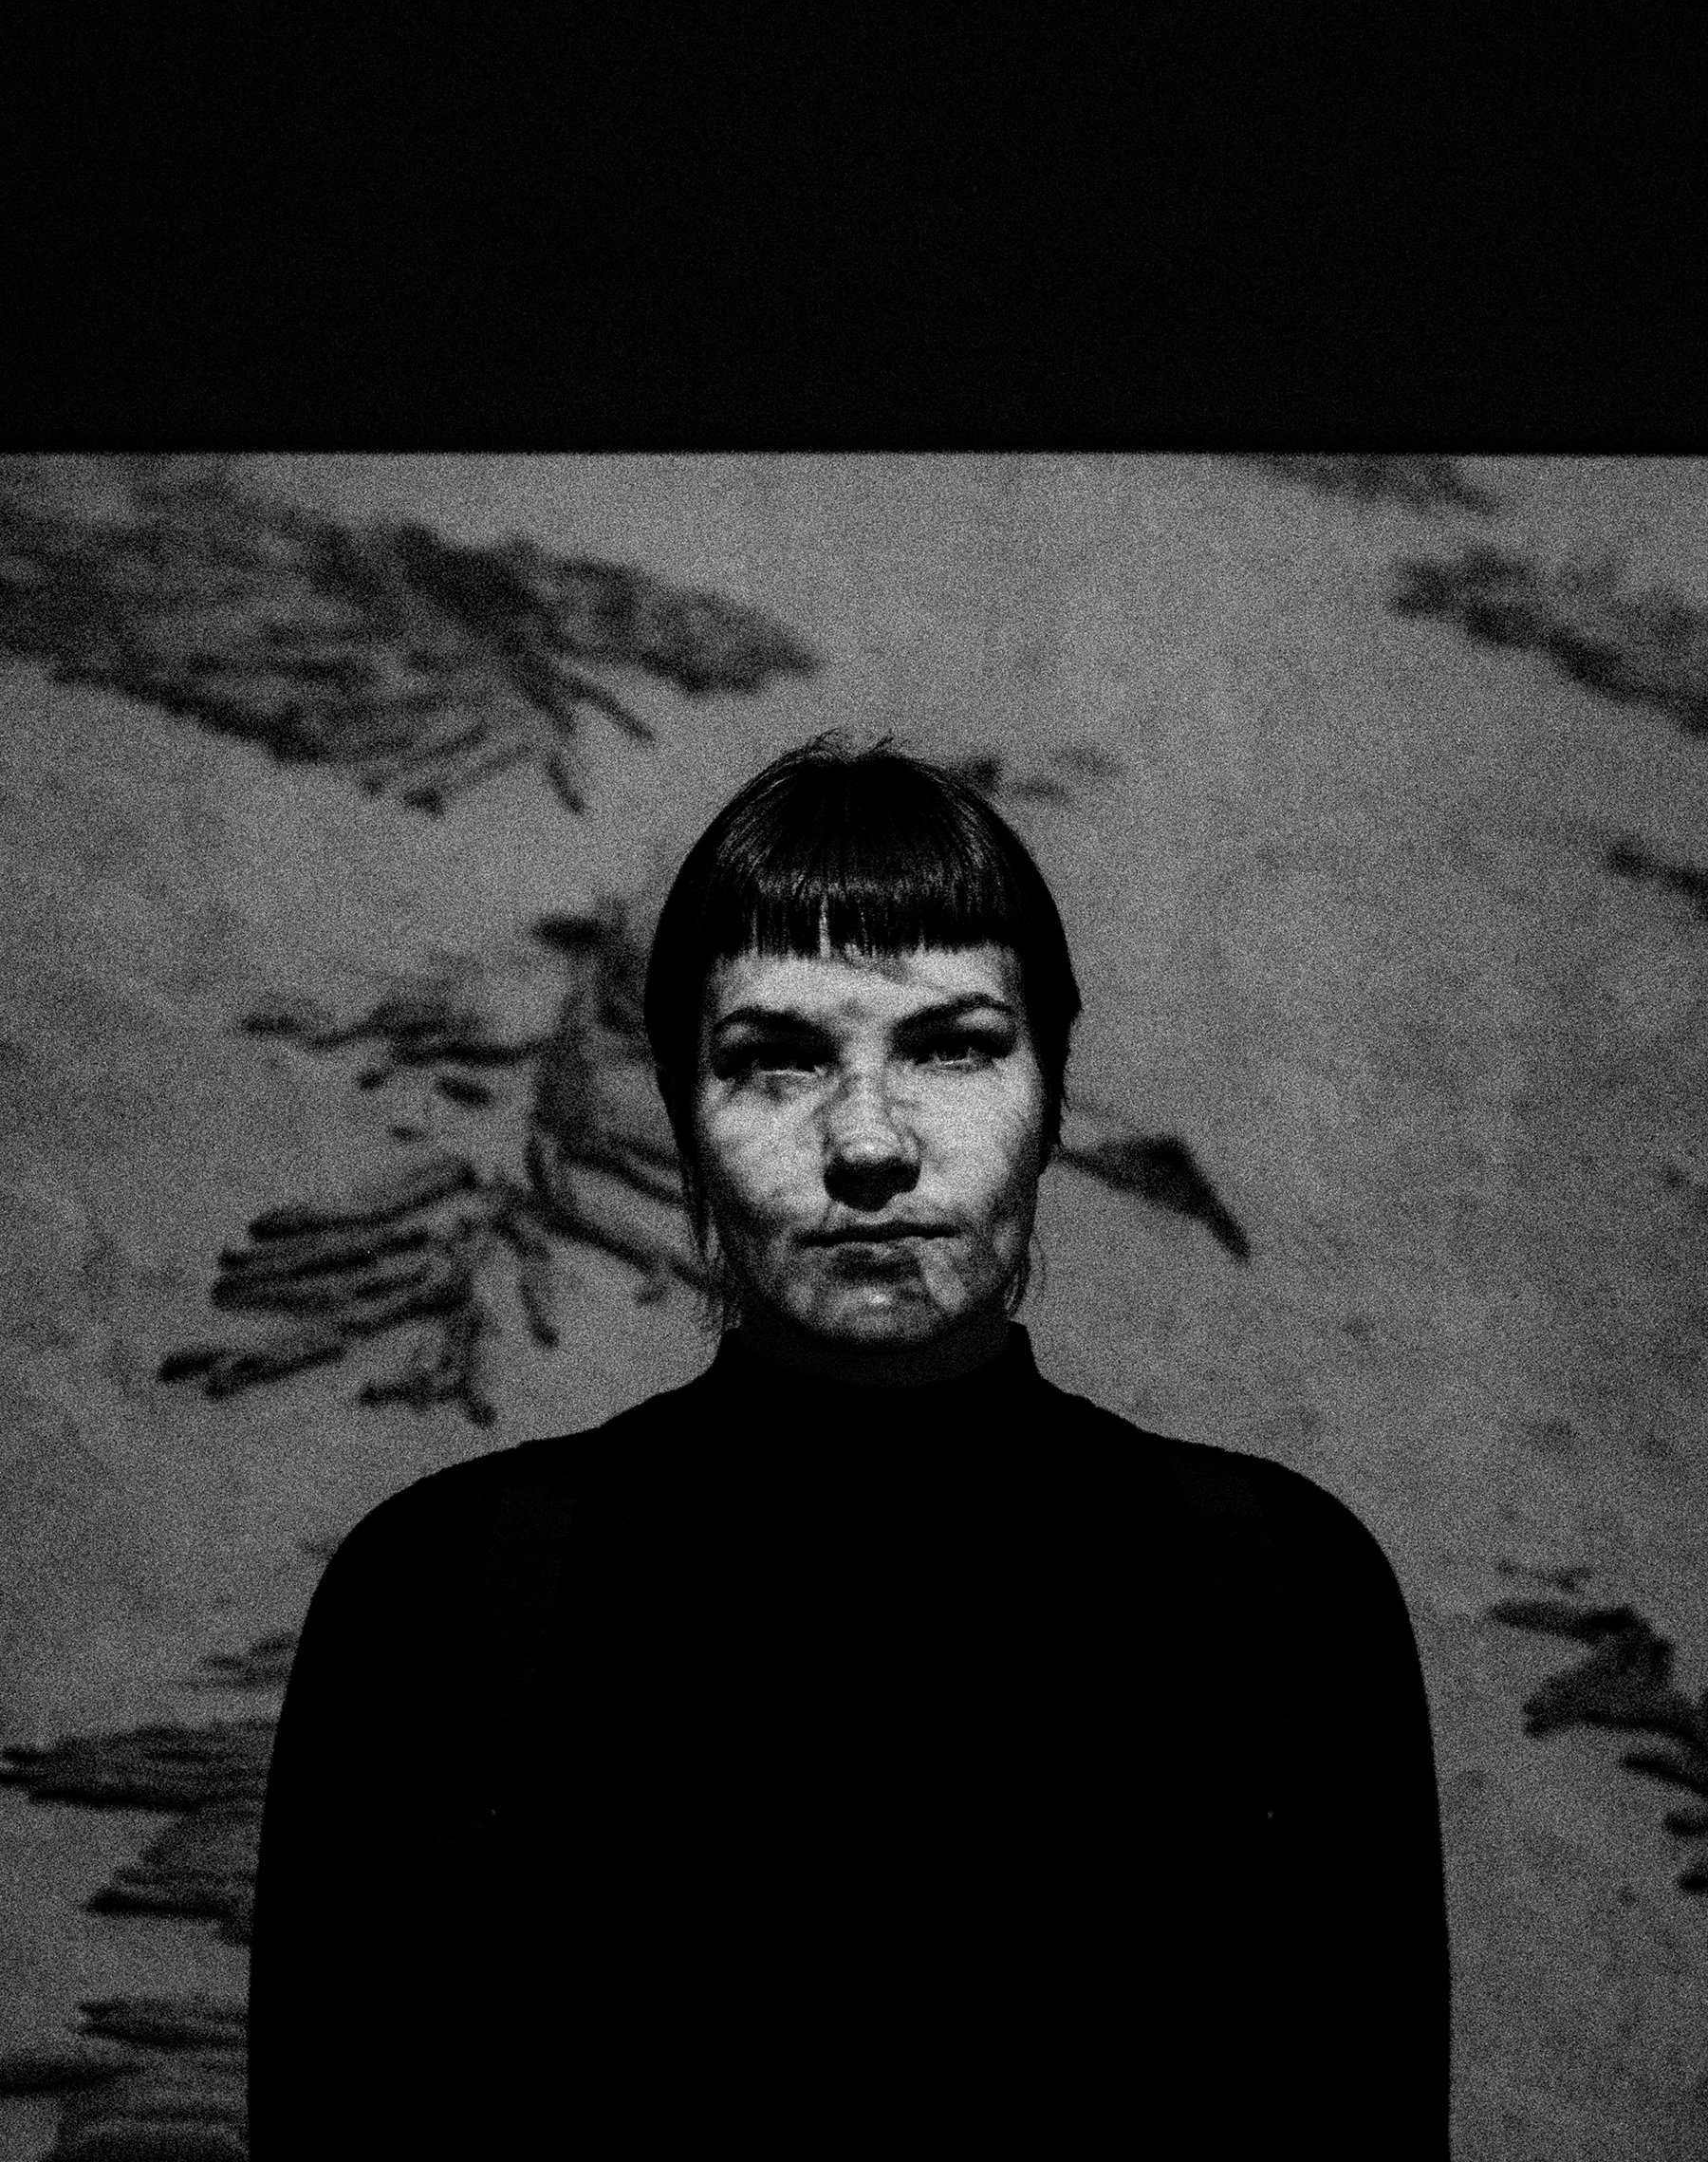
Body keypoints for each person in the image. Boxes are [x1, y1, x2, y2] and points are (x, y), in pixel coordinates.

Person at [249, 734, 1452, 2158]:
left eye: (952, 1046)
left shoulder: (1284, 1587)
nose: (868, 1142)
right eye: (777, 1061)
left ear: (1052, 1097)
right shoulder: (445, 1591)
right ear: (688, 1128)